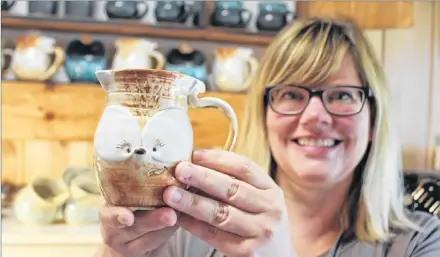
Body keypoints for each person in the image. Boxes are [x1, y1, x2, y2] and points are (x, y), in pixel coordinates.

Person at [95, 16, 440, 257]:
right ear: (263, 116)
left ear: (373, 121)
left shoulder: (422, 243)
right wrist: (116, 252)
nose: (315, 116)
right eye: (291, 94)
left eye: (341, 96)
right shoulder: (189, 228)